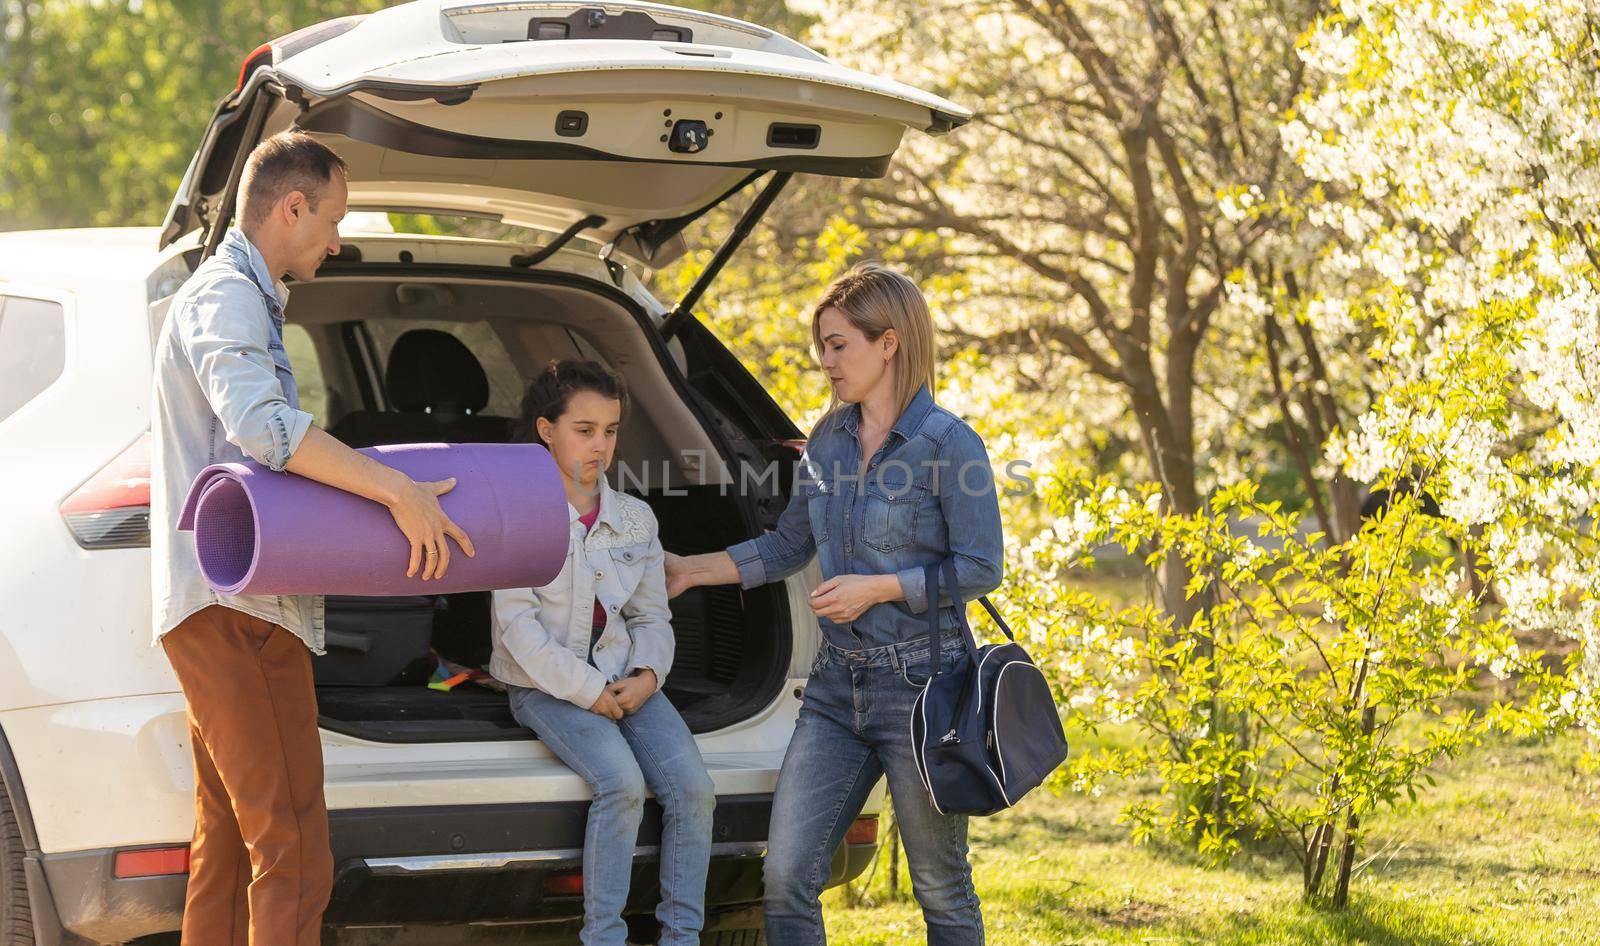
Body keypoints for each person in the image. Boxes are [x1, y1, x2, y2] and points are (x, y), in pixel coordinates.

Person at [150, 130, 475, 946]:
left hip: (234, 606)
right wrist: (395, 488)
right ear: (292, 206)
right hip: (237, 607)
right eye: (333, 217)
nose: (339, 238)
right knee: (293, 847)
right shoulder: (225, 295)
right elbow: (262, 427)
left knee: (227, 849)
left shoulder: (243, 296)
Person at [664, 262, 1004, 945]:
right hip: (834, 688)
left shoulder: (949, 445)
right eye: (822, 345)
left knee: (941, 886)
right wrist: (689, 570)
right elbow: (789, 544)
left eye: (838, 344)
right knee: (787, 878)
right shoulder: (826, 441)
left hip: (922, 689)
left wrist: (876, 587)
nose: (825, 360)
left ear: (890, 343)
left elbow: (980, 567)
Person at [489, 359, 715, 946]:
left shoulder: (635, 519)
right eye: (584, 430)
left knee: (694, 789)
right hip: (545, 687)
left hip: (625, 680)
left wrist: (646, 675)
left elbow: (650, 615)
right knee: (622, 783)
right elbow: (518, 629)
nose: (600, 446)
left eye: (610, 431)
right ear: (547, 431)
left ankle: (682, 937)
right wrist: (588, 692)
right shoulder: (520, 515)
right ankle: (604, 937)